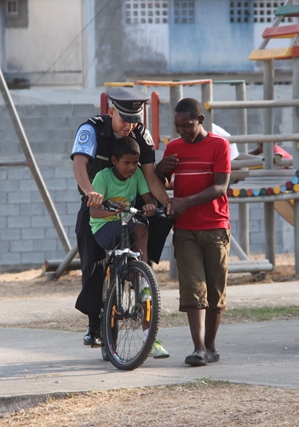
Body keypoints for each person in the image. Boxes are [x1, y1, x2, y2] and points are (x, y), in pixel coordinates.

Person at [70, 87, 175, 350]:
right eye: (125, 120)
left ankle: (141, 271)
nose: (130, 126)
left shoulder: (140, 134)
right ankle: (95, 324)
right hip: (97, 202)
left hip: (131, 202)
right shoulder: (92, 129)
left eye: (134, 121)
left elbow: (149, 175)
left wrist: (166, 202)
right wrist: (90, 192)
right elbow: (79, 164)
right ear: (111, 112)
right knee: (92, 259)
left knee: (160, 219)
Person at [163, 98, 231, 366]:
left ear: (200, 120)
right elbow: (163, 182)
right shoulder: (173, 147)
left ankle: (211, 346)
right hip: (185, 229)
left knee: (215, 290)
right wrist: (161, 170)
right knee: (193, 289)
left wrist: (186, 202)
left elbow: (220, 187)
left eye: (187, 125)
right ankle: (199, 348)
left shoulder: (219, 145)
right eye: (177, 126)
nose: (182, 131)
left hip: (215, 227)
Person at [89, 136, 169, 358]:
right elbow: (93, 211)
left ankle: (141, 272)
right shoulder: (102, 177)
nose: (132, 168)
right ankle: (138, 272)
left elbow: (147, 198)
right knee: (133, 226)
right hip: (104, 228)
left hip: (128, 225)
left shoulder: (138, 175)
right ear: (114, 161)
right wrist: (113, 211)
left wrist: (150, 205)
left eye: (135, 163)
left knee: (141, 226)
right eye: (127, 163)